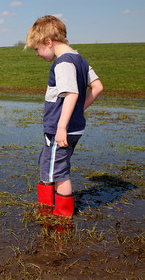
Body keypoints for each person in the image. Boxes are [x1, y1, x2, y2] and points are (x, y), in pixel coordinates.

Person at [24, 15, 103, 217]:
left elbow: (72, 93)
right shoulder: (81, 60)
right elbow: (97, 87)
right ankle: (46, 209)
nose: (37, 54)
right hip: (71, 127)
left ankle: (60, 218)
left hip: (61, 130)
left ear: (48, 42)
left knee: (59, 173)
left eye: (37, 48)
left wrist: (61, 127)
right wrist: (78, 111)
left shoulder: (63, 63)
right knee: (48, 164)